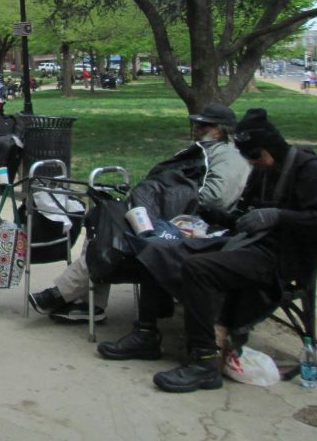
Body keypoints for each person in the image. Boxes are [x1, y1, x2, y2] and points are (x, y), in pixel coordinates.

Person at [96, 108, 317, 393]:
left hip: (279, 257)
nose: (254, 164)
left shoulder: (311, 172)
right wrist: (209, 215)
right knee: (157, 247)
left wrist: (279, 216)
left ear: (269, 149)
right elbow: (244, 214)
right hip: (245, 241)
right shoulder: (263, 170)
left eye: (256, 157)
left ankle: (204, 361)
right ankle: (146, 334)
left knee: (199, 268)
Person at [29, 102, 249, 322]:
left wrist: (170, 200)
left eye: (202, 125)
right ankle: (83, 301)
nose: (196, 128)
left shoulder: (225, 156)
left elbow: (215, 198)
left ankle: (69, 297)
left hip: (197, 226)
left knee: (112, 233)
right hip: (183, 220)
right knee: (105, 221)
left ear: (218, 130)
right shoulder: (213, 152)